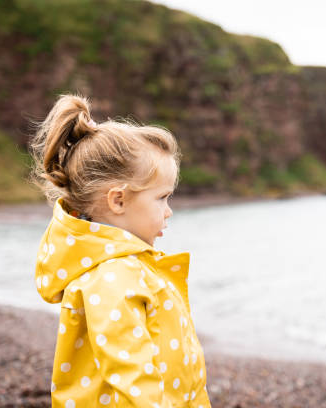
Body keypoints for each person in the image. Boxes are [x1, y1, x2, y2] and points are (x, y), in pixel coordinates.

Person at [30, 94, 211, 407]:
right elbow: (131, 377)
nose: (168, 211)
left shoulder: (124, 267)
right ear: (118, 200)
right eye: (161, 198)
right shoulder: (113, 276)